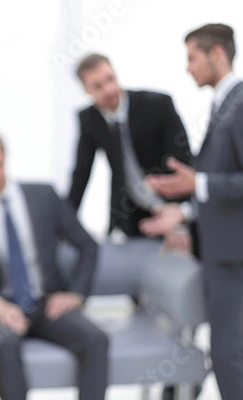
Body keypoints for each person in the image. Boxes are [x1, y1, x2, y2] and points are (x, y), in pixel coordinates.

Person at [0, 131, 108, 400]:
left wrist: (76, 293)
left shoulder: (43, 196)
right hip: (1, 309)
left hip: (47, 303)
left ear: (5, 157)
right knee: (5, 343)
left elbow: (87, 245)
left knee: (96, 339)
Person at [140, 23, 243, 400]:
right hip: (221, 252)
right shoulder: (223, 105)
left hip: (234, 257)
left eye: (192, 58)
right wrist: (184, 211)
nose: (188, 68)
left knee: (228, 354)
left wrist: (196, 185)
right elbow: (223, 186)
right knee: (227, 352)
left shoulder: (241, 102)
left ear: (217, 54)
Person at [67, 53, 192, 238]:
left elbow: (183, 159)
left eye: (110, 79)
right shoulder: (89, 120)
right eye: (98, 86)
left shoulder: (157, 105)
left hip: (175, 207)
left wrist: (186, 209)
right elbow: (81, 173)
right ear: (86, 90)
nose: (109, 89)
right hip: (132, 216)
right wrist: (64, 224)